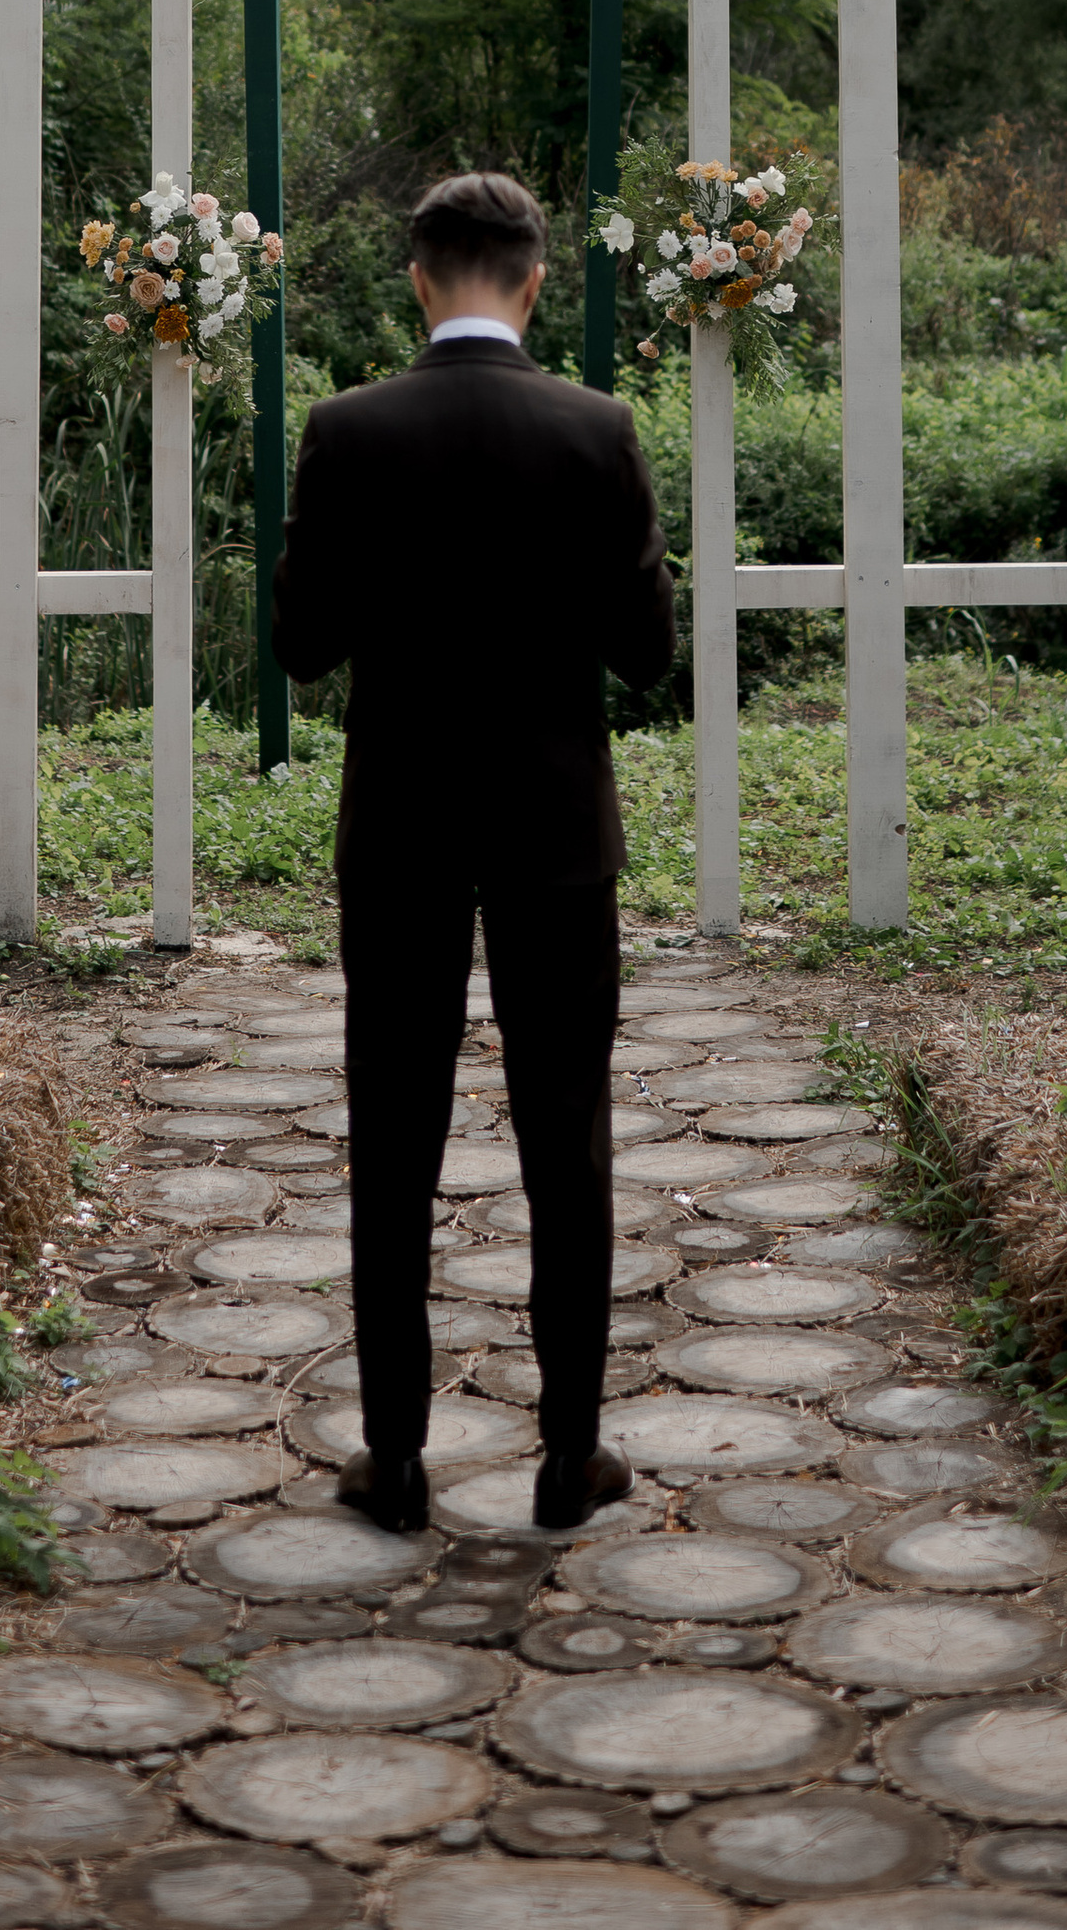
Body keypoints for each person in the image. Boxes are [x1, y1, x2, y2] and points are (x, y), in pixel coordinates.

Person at [271, 169, 677, 1534]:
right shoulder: (597, 429)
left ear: (418, 278)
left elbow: (299, 642)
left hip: (401, 826)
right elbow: (647, 653)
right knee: (568, 1134)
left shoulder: (347, 429)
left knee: (395, 1133)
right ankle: (571, 1456)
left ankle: (395, 1460)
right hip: (558, 825)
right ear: (537, 279)